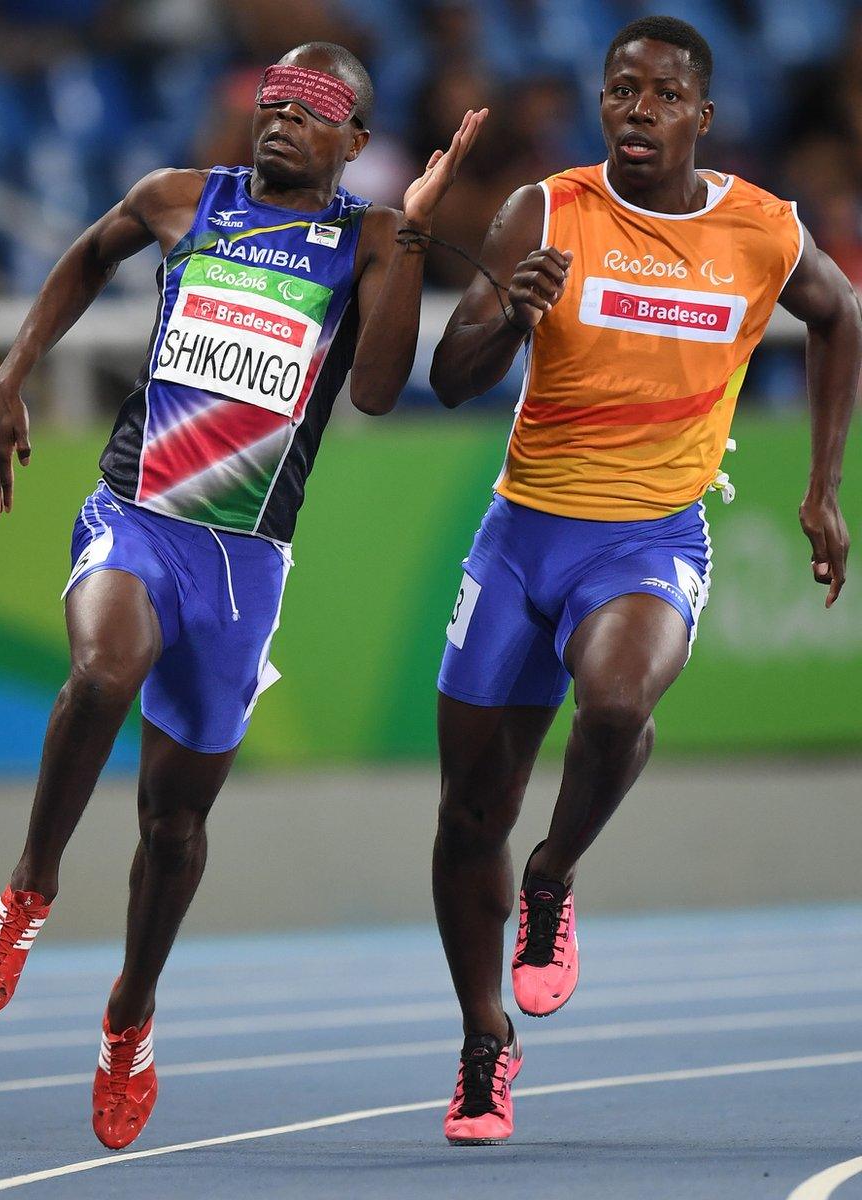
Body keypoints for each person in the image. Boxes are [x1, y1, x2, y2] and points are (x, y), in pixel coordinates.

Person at [0, 41, 486, 1150]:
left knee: (175, 821)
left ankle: (129, 1015)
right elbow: (87, 254)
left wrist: (414, 230)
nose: (283, 117)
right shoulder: (180, 201)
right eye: (273, 99)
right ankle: (29, 889)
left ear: (354, 141)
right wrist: (11, 373)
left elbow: (383, 391)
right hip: (136, 513)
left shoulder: (364, 239)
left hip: (243, 562)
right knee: (102, 670)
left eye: (315, 108)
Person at [428, 15, 860, 1146]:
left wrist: (821, 488)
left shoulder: (761, 231)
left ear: (700, 117)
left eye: (661, 95)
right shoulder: (549, 208)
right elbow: (449, 376)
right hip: (522, 535)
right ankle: (484, 1046)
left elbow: (840, 314)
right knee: (468, 811)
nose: (635, 109)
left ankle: (555, 874)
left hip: (649, 538)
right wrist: (507, 318)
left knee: (617, 703)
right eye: (620, 89)